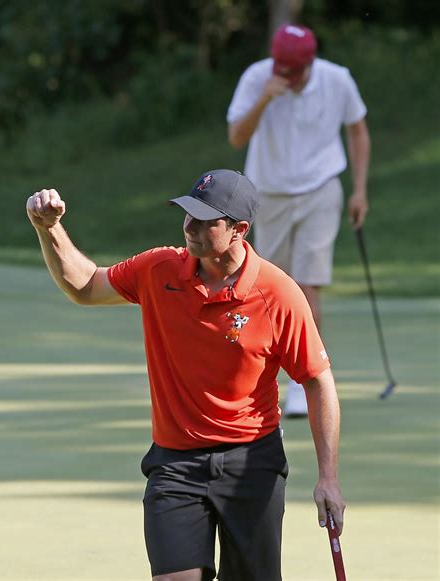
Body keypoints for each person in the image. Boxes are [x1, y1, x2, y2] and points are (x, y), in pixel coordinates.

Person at [26, 169, 345, 581]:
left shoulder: (277, 293)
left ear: (239, 230)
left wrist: (329, 478)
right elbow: (85, 286)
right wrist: (48, 229)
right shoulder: (158, 269)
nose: (189, 227)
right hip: (175, 464)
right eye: (186, 214)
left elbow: (318, 380)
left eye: (204, 220)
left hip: (252, 463)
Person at [227, 23, 371, 417]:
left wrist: (359, 190)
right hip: (267, 195)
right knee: (267, 287)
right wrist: (263, 100)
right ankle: (263, 377)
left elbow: (357, 131)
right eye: (281, 69)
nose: (286, 78)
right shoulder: (258, 78)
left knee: (307, 284)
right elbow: (236, 137)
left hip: (320, 190)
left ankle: (303, 382)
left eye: (293, 72)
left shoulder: (336, 80)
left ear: (310, 62)